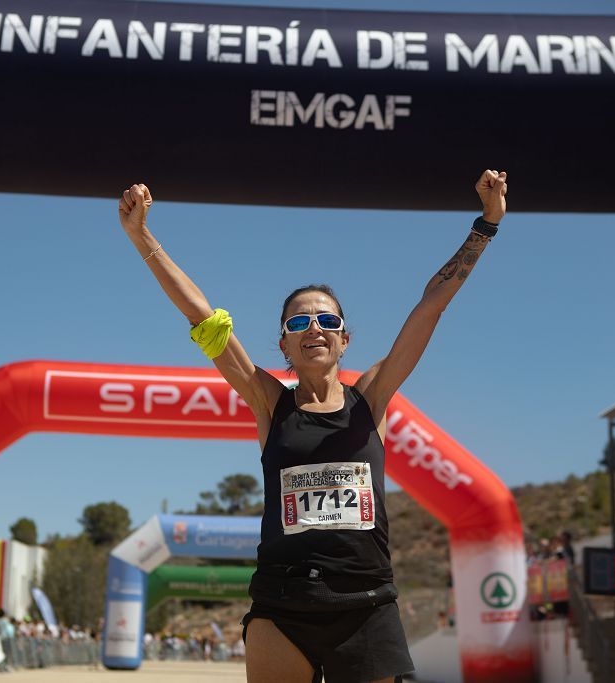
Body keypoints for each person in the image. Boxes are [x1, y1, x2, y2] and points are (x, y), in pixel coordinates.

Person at [117, 169, 508, 683]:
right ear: (283, 346)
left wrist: (487, 224)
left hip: (366, 604)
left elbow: (431, 304)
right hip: (282, 606)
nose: (314, 328)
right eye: (298, 322)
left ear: (345, 340)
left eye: (326, 320)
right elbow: (201, 315)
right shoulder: (268, 402)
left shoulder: (373, 395)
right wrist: (142, 237)